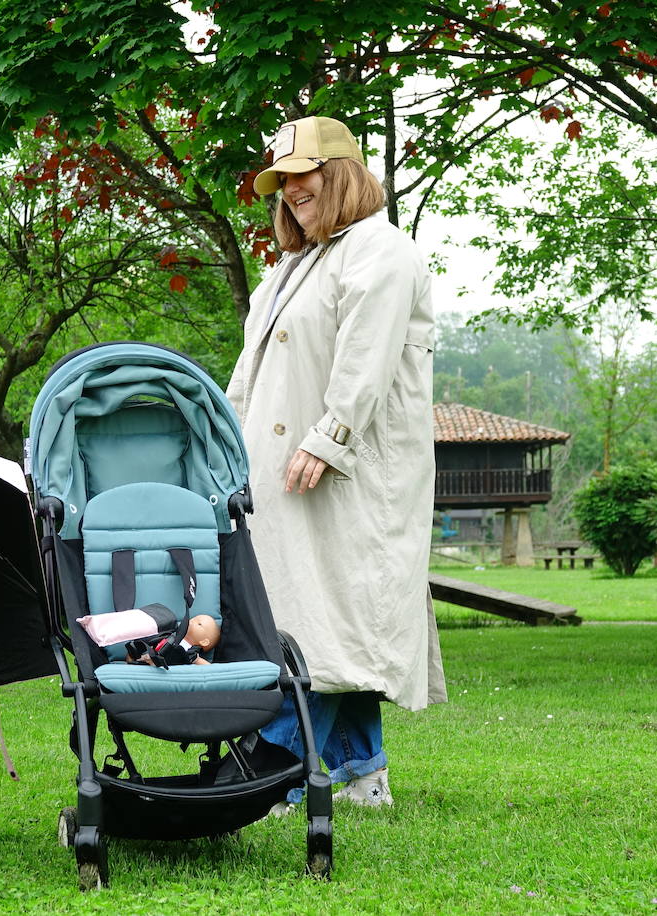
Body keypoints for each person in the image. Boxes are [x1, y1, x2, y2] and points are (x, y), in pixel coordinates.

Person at [225, 115, 446, 812]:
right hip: (282, 474)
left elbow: (367, 358)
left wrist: (329, 437)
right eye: (282, 181)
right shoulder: (292, 265)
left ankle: (281, 770)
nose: (291, 191)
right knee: (325, 622)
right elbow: (250, 376)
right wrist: (226, 443)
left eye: (303, 175)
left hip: (342, 476)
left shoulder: (380, 250)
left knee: (319, 625)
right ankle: (361, 770)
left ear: (342, 173)